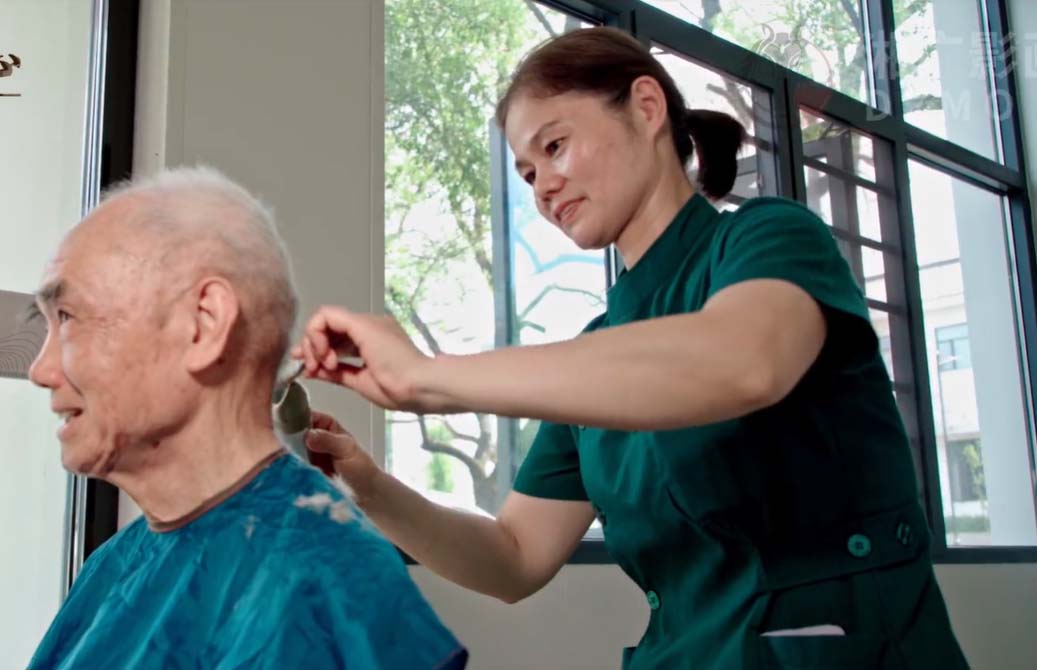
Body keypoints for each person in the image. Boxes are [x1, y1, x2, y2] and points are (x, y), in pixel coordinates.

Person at [295, 27, 968, 670]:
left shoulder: (769, 239)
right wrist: (367, 485)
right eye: (527, 174)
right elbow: (513, 558)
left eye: (554, 146)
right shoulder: (596, 357)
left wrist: (427, 378)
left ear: (646, 107)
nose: (543, 187)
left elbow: (740, 362)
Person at [26, 167, 467, 670]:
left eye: (68, 318)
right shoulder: (114, 567)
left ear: (204, 325)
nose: (41, 371)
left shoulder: (321, 585)